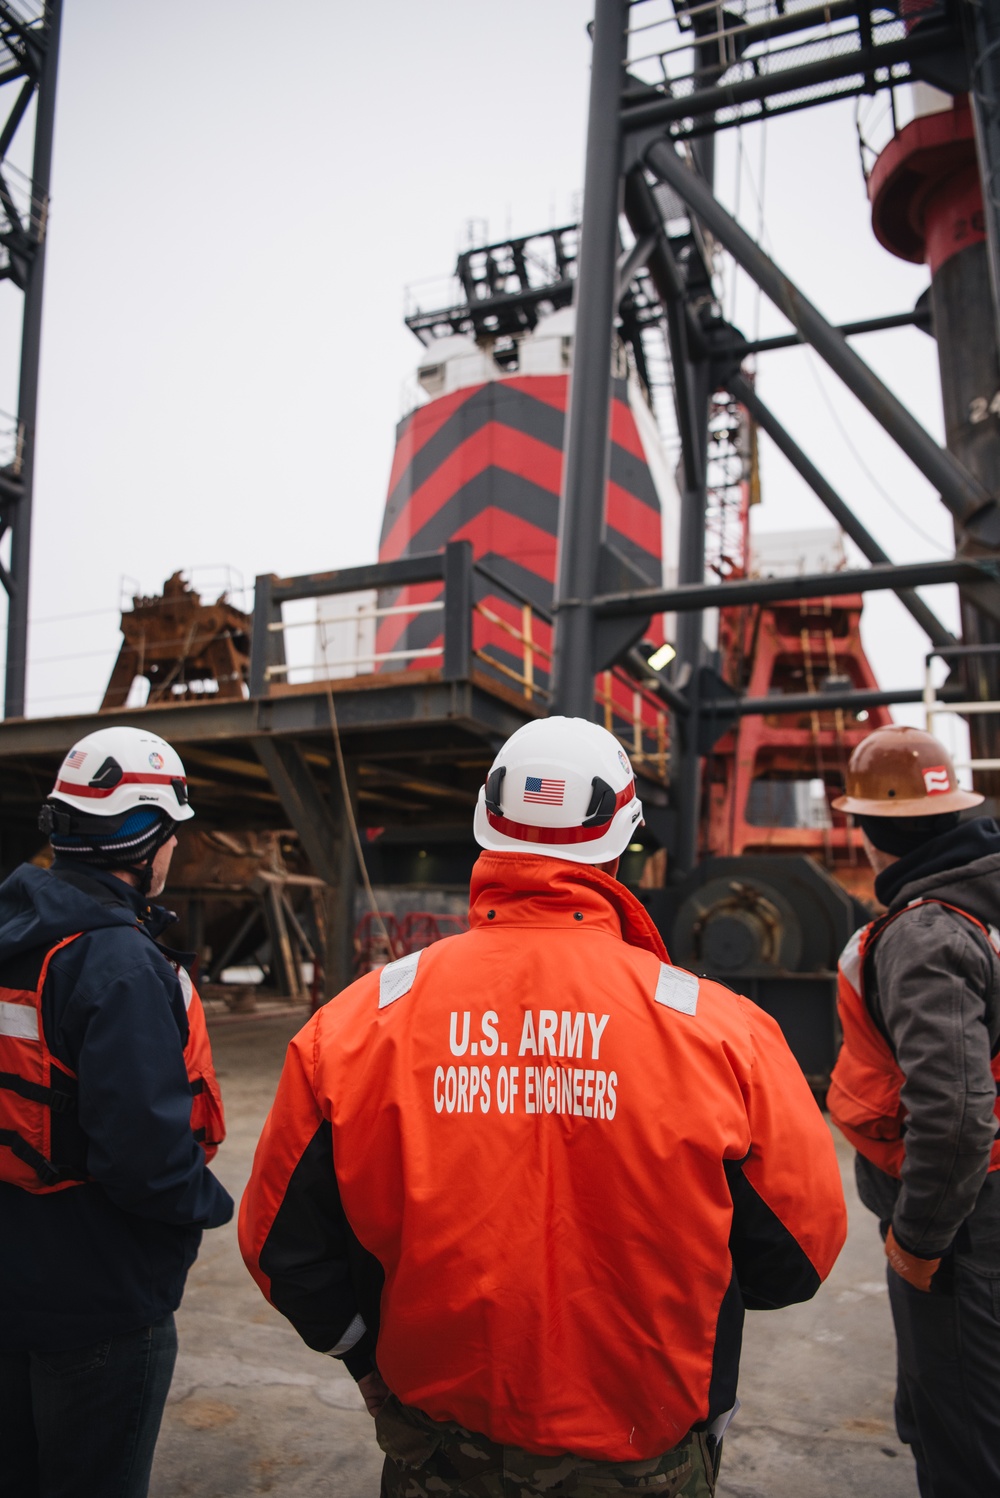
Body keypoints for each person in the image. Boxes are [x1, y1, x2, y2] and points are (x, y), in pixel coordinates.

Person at [239, 716, 847, 1497]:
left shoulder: (359, 1022)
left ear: (486, 830)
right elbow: (797, 1256)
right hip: (640, 1452)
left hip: (435, 1450)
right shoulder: (722, 1033)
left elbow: (281, 1246)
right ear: (623, 843)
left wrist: (365, 1359)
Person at [0, 725, 233, 1498]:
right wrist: (205, 1208)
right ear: (150, 840)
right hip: (99, 1301)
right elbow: (146, 1161)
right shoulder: (118, 962)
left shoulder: (15, 932)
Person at [827, 723, 1000, 1497]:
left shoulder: (923, 933)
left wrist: (919, 1241)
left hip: (963, 1224)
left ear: (866, 834)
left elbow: (957, 1114)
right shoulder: (982, 904)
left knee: (959, 1427)